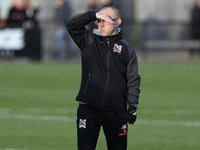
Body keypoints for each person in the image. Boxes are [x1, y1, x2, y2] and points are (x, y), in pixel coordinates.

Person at [66, 6, 141, 150]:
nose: (100, 24)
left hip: (116, 111)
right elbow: (71, 25)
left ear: (117, 22)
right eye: (98, 21)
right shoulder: (87, 39)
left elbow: (133, 80)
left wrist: (132, 106)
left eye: (105, 20)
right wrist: (92, 14)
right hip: (89, 108)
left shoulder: (127, 49)